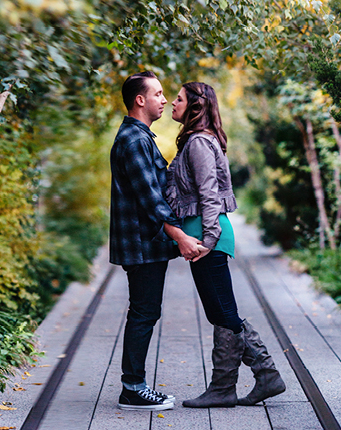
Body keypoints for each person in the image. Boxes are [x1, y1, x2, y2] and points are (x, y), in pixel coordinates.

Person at [166, 80, 287, 408]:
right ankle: (263, 377)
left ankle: (235, 383)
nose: (172, 103)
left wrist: (207, 239)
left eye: (178, 99)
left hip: (209, 237)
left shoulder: (199, 144)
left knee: (223, 313)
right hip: (203, 236)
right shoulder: (193, 141)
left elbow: (208, 193)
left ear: (195, 106)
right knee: (220, 312)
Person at [109, 70, 206, 412]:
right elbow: (151, 198)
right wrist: (180, 236)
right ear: (140, 100)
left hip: (144, 243)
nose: (164, 100)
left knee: (144, 312)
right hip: (141, 244)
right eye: (159, 94)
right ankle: (133, 388)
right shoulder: (134, 140)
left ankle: (133, 385)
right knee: (143, 313)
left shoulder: (139, 137)